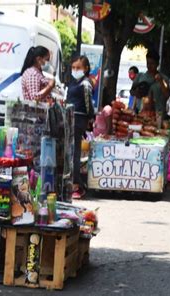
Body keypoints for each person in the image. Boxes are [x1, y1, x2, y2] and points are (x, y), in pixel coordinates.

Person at [66, 56, 94, 199]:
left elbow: (89, 104)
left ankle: (77, 184)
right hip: (70, 118)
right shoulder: (74, 82)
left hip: (79, 119)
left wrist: (90, 118)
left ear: (86, 69)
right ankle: (73, 182)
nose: (75, 70)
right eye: (74, 68)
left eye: (78, 68)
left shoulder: (85, 84)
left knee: (75, 152)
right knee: (71, 152)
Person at [130, 51, 170, 115]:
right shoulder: (140, 76)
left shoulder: (164, 78)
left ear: (157, 64)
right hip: (141, 114)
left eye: (152, 63)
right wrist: (138, 92)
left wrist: (161, 82)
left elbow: (167, 95)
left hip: (158, 114)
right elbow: (132, 92)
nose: (149, 66)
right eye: (148, 63)